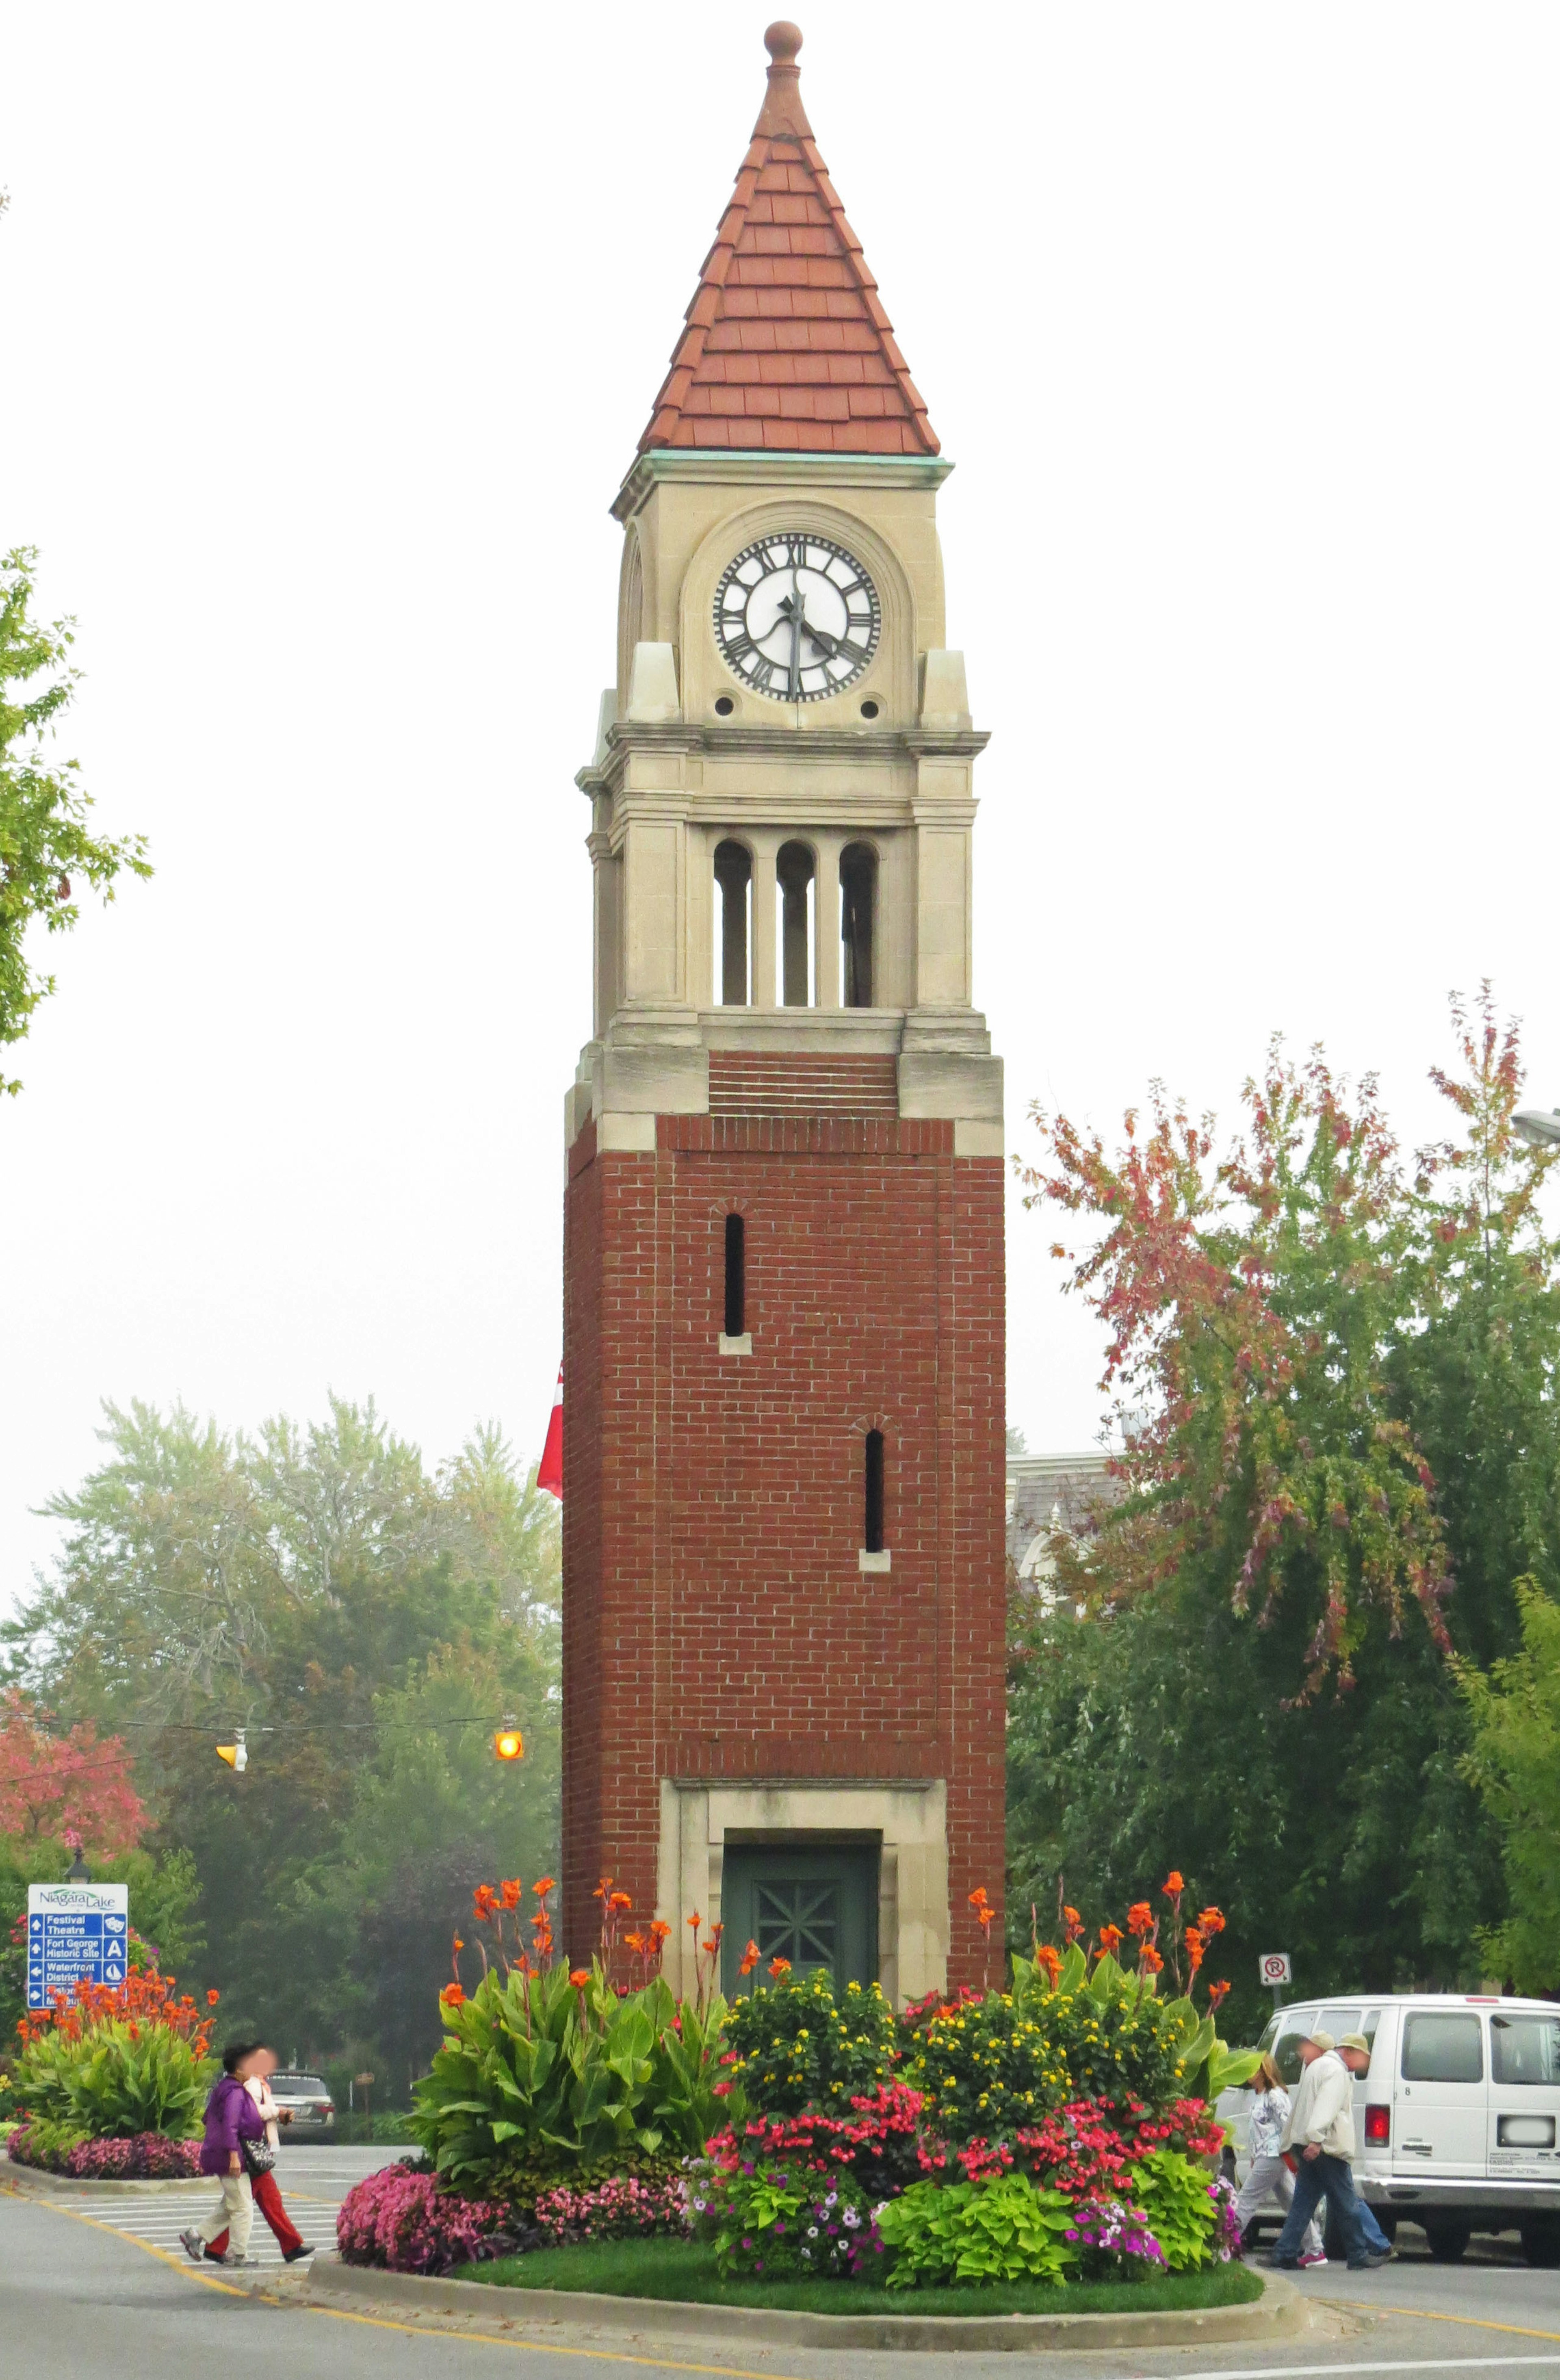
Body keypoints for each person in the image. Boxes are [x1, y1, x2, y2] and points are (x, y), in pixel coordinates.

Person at [1265, 2028, 1393, 2272]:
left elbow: (1304, 2107)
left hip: (1309, 2145)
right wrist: (1317, 2139)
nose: (1361, 2064)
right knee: (1347, 2203)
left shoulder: (1317, 2066)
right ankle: (1358, 2255)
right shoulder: (1337, 2072)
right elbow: (1327, 2107)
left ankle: (1285, 2252)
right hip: (1327, 2147)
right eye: (1361, 2057)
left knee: (1303, 2203)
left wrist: (1304, 2140)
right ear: (1349, 2052)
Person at [201, 2044, 314, 2265]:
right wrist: (277, 2113)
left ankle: (213, 2245)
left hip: (250, 2153)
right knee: (247, 2205)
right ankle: (225, 2248)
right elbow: (245, 2115)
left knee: (242, 2205)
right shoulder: (247, 2085)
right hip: (248, 2154)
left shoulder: (256, 2083)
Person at [180, 2040, 269, 2267]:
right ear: (239, 2069)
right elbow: (231, 2125)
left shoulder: (225, 2088)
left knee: (231, 2204)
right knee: (242, 2207)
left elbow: (209, 2118)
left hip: (223, 2152)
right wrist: (233, 2155)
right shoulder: (235, 2093)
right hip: (230, 2155)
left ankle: (195, 2235)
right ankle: (237, 2254)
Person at [1234, 2054, 1326, 2265]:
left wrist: (1291, 2154)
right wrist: (1254, 2155)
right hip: (1266, 2155)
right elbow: (1258, 2130)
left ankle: (1226, 2243)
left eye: (1254, 2069)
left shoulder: (1275, 2096)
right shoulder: (1260, 2096)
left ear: (1264, 2072)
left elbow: (1287, 2126)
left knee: (1247, 2198)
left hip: (1275, 2154)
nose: (1249, 2074)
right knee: (1291, 2200)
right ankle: (1315, 2248)